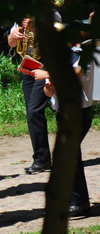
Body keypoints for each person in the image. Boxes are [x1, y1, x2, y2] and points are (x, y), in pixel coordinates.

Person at [40, 32, 95, 218]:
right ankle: (75, 201)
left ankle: (79, 202)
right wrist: (49, 87)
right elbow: (49, 90)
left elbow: (77, 72)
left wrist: (48, 73)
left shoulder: (83, 53)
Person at [8, 17, 52, 174]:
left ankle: (42, 159)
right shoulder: (20, 17)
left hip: (45, 66)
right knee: (32, 113)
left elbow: (53, 41)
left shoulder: (50, 15)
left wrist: (34, 27)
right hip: (28, 66)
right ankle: (42, 158)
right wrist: (14, 35)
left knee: (34, 111)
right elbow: (11, 44)